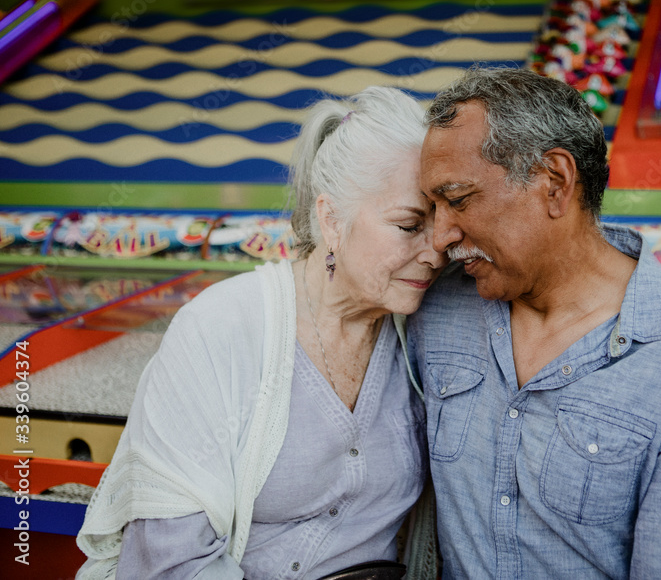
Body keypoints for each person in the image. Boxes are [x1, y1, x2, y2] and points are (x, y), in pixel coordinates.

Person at [76, 87, 446, 579]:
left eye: (443, 225)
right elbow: (170, 562)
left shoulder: (422, 333)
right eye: (409, 225)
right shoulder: (220, 330)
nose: (436, 251)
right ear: (330, 219)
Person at [410, 67, 661, 579]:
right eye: (431, 207)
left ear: (555, 181)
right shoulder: (437, 311)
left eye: (459, 200)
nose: (441, 235)